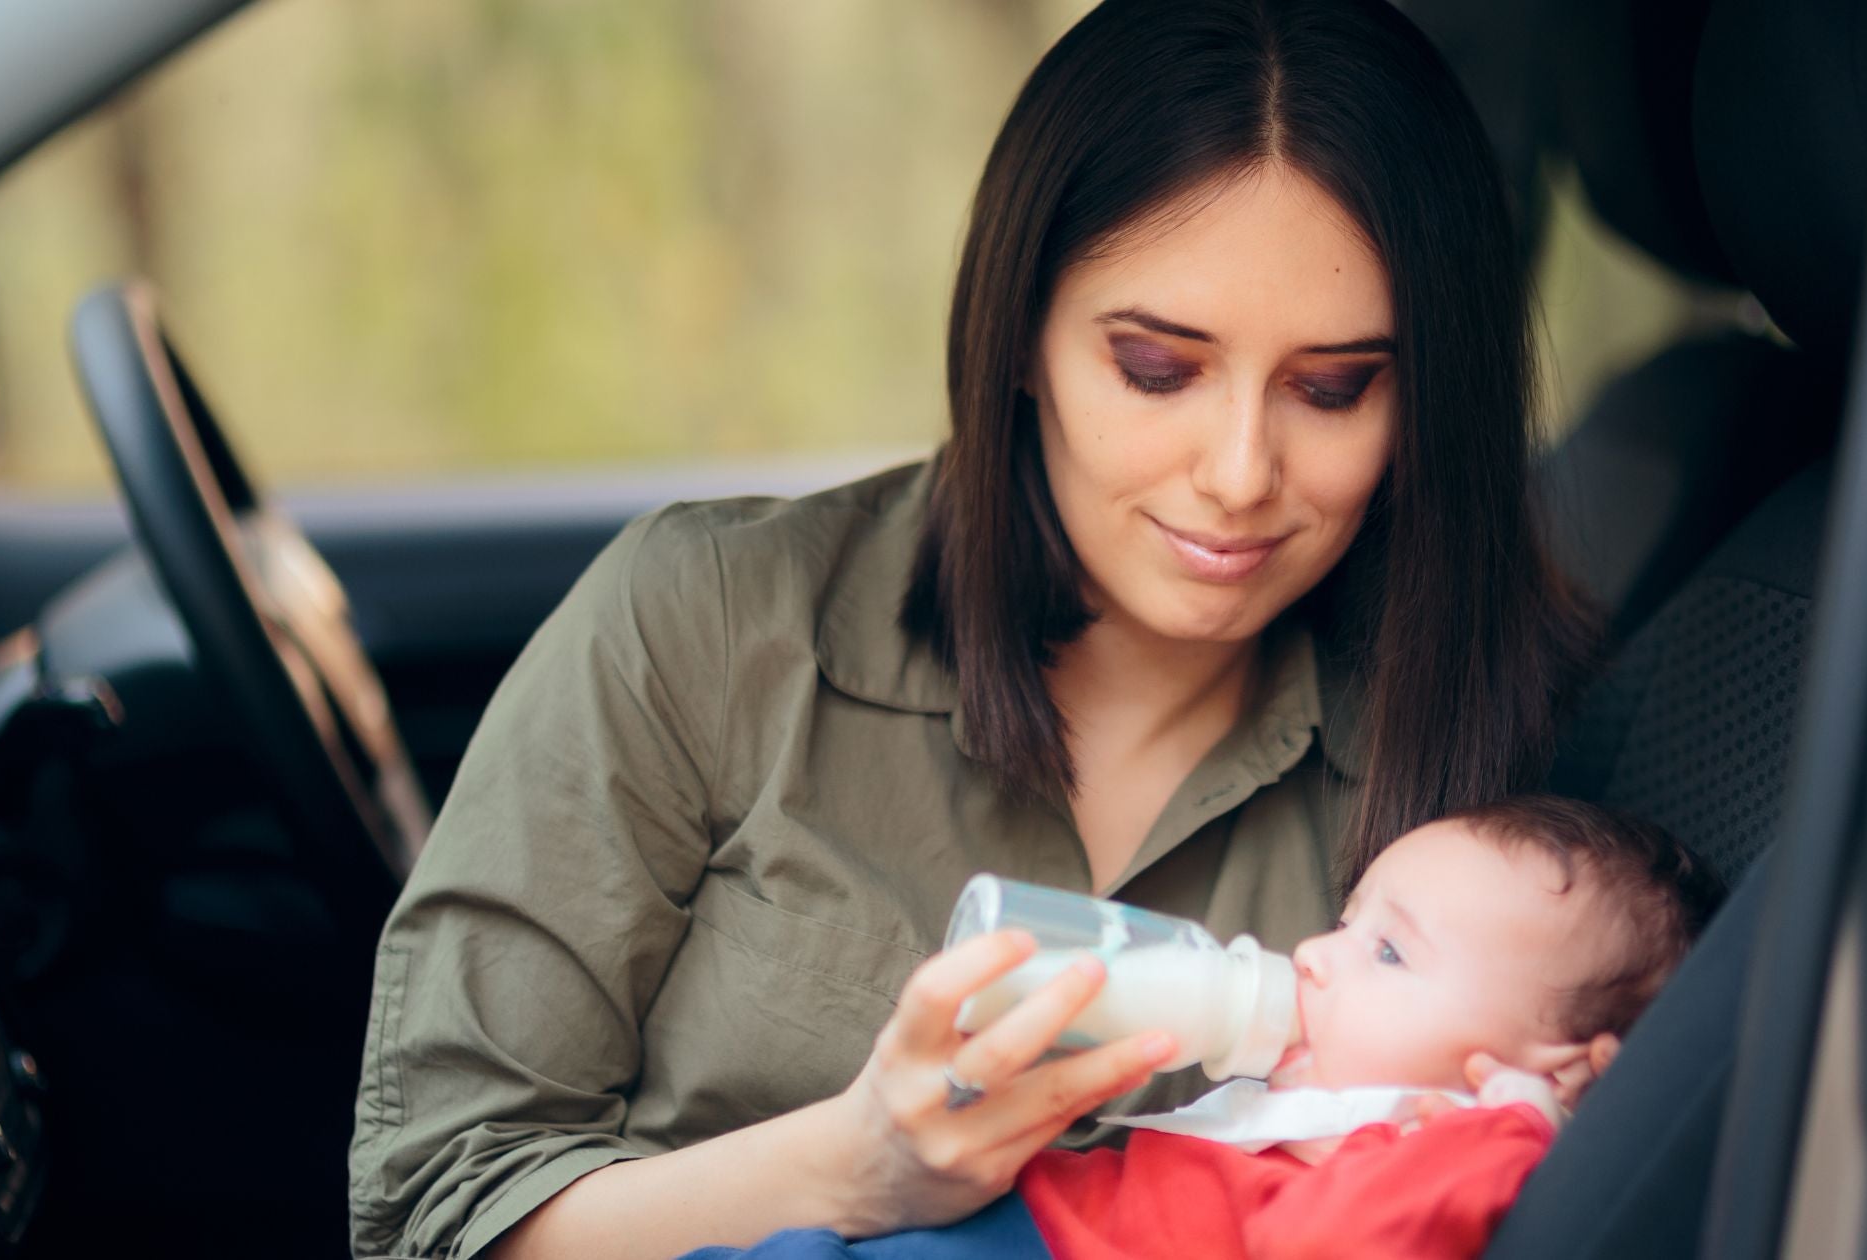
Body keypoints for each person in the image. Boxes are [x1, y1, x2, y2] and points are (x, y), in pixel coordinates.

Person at [346, 3, 1594, 1257]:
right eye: (1157, 369)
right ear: (1020, 343)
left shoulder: (1469, 803)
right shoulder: (706, 626)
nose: (1237, 471)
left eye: (1331, 389)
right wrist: (855, 1167)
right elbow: (434, 1212)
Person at [675, 794, 1725, 1259]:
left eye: (1389, 951)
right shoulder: (1308, 1109)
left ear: (1561, 1071)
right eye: (1347, 920)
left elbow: (1338, 1248)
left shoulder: (1447, 1149)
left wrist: (1516, 1117)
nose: (1314, 953)